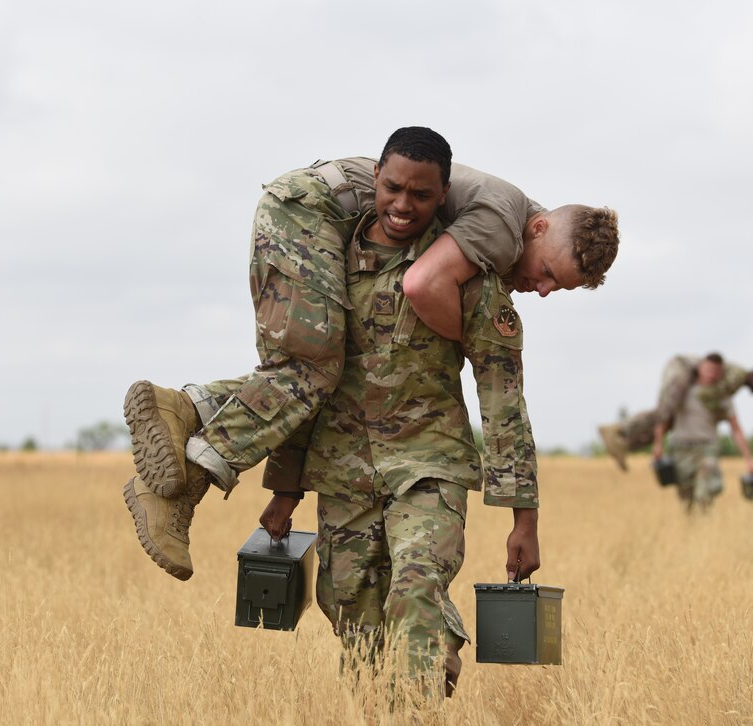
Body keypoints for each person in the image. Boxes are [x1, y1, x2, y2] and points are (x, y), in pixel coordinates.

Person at [123, 135, 620, 581]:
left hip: (301, 203)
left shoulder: (500, 221)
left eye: (561, 289)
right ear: (538, 227)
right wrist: (464, 337)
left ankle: (189, 412)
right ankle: (188, 461)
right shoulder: (502, 229)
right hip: (306, 213)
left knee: (319, 366)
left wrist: (287, 490)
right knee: (311, 367)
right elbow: (422, 284)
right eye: (549, 272)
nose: (545, 289)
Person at [247, 127, 543, 696]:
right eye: (392, 189)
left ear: (445, 196)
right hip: (343, 473)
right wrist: (285, 488)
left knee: (417, 584)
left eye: (422, 196)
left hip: (430, 467)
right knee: (350, 612)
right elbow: (300, 381)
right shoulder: (326, 269)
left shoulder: (469, 280)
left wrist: (523, 518)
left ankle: (421, 698)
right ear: (374, 181)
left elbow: (504, 403)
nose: (403, 206)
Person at [597, 354, 753, 471]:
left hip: (690, 381)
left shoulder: (737, 381)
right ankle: (619, 429)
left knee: (670, 422)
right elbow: (709, 392)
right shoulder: (737, 377)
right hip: (681, 370)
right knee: (664, 412)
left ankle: (625, 443)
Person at [650, 354, 753, 511]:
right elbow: (664, 417)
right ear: (700, 368)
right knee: (685, 499)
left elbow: (736, 429)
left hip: (706, 449)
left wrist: (749, 460)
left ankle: (704, 527)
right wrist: (658, 444)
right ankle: (691, 531)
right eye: (708, 369)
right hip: (680, 448)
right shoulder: (682, 391)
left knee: (705, 494)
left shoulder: (721, 397)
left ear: (721, 373)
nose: (711, 374)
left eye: (715, 371)